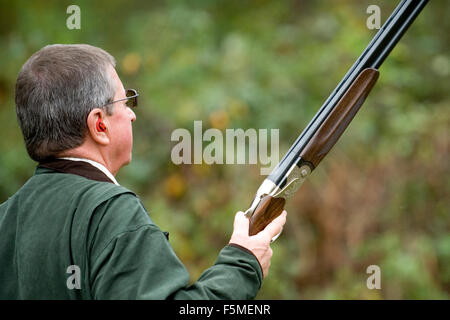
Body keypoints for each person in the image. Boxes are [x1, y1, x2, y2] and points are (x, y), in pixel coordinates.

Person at [0, 44, 287, 299]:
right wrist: (242, 265)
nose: (132, 113)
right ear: (100, 125)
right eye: (125, 101)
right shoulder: (110, 212)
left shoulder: (5, 219)